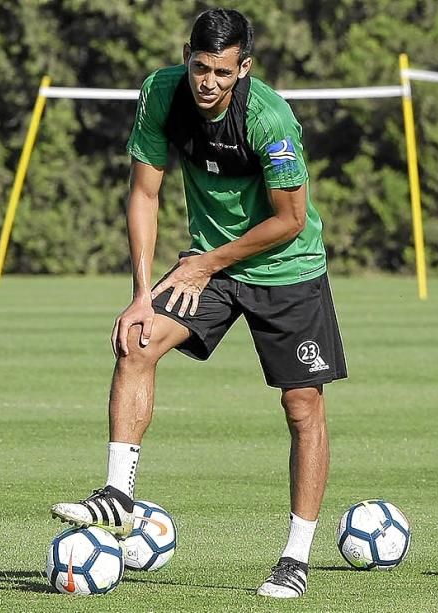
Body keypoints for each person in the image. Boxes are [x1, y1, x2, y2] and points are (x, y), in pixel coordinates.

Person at [50, 7, 346, 599]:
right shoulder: (161, 95)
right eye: (199, 67)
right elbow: (144, 191)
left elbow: (289, 221)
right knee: (136, 340)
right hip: (205, 266)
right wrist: (140, 294)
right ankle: (118, 496)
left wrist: (208, 262)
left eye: (221, 71)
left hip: (285, 270)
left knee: (301, 405)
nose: (208, 82)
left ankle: (295, 557)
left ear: (244, 68)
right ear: (186, 58)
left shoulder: (270, 119)